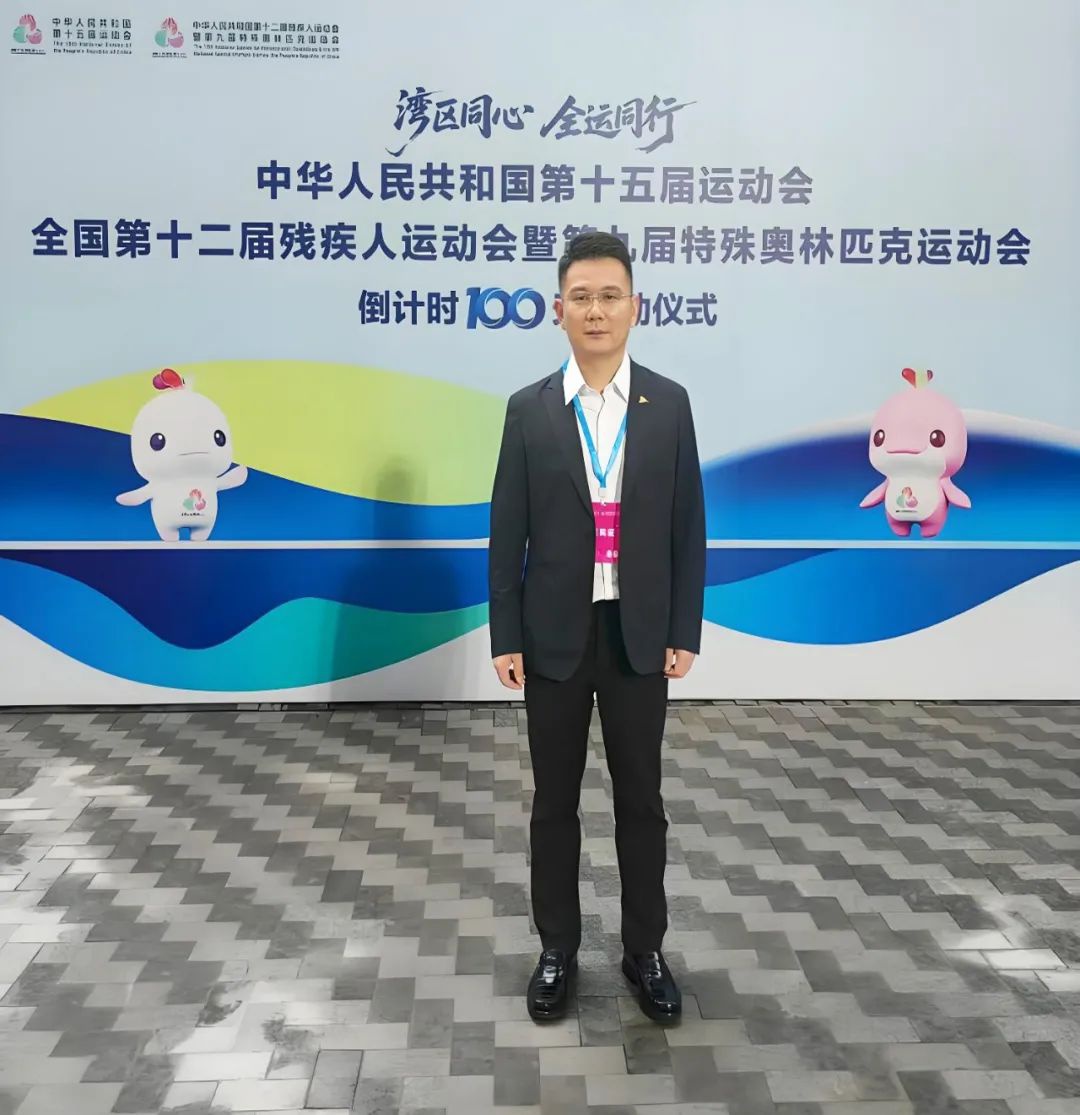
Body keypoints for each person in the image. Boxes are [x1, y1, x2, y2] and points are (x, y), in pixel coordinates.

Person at [487, 231, 706, 1024]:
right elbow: (506, 531)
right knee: (554, 802)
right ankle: (557, 948)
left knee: (641, 800)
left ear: (634, 306)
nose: (596, 310)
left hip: (637, 635)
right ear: (558, 310)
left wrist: (685, 626)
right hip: (552, 637)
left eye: (610, 295)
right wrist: (505, 634)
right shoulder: (530, 410)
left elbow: (688, 526)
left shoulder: (669, 405)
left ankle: (645, 949)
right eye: (580, 296)